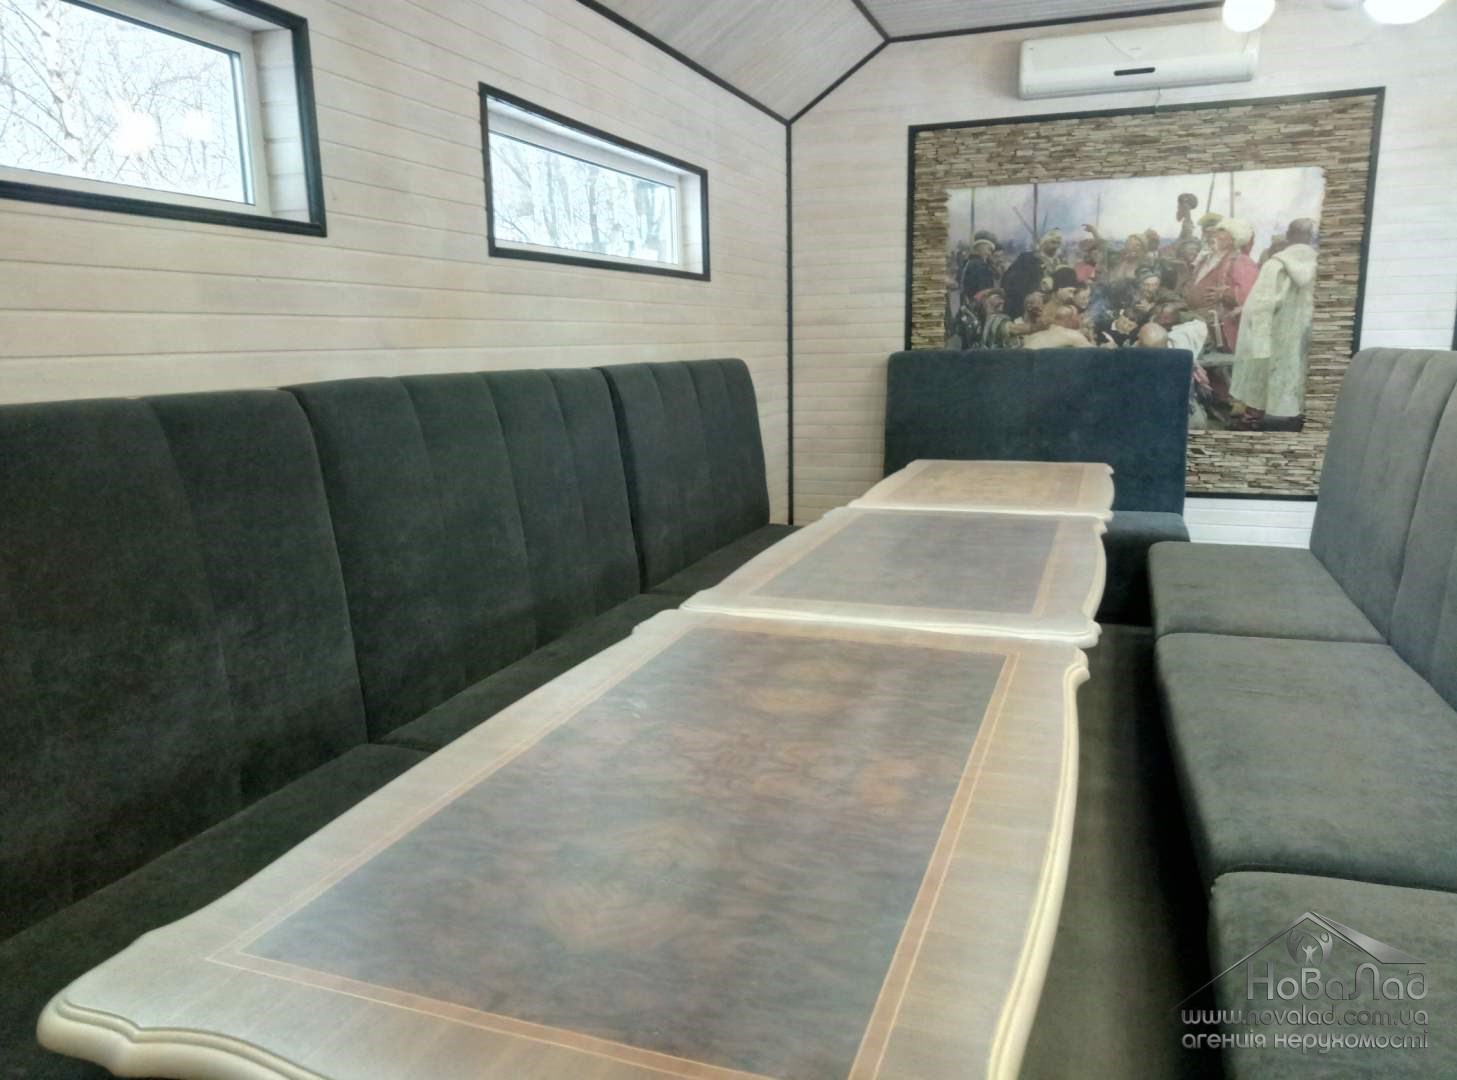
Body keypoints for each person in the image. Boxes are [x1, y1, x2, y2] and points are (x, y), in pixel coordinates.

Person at [1229, 219, 1318, 428]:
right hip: (1306, 332)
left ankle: (1260, 419)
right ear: (1310, 237)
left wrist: (1258, 342)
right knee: (1298, 373)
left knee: (1268, 374)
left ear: (1289, 235)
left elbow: (1261, 306)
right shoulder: (1321, 263)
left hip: (1276, 333)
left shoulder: (1275, 265)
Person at [1185, 218, 1258, 354]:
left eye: (1222, 231)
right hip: (1195, 319)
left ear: (1234, 238)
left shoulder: (1241, 260)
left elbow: (1251, 295)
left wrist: (1224, 294)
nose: (1214, 234)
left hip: (1219, 329)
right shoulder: (1205, 259)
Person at [1023, 301, 1092, 349]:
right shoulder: (1074, 335)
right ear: (1069, 320)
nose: (1079, 320)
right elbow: (1094, 354)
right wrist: (1091, 337)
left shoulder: (1034, 336)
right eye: (1077, 317)